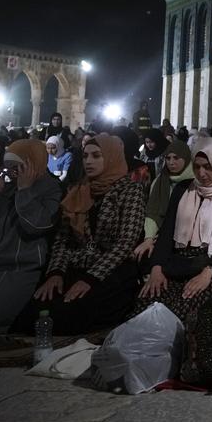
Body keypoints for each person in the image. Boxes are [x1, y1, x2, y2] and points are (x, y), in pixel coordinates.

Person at [19, 134, 144, 334]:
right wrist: (56, 273)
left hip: (110, 270)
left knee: (67, 313)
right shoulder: (78, 190)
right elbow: (63, 239)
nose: (89, 161)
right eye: (85, 156)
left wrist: (90, 278)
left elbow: (125, 243)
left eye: (96, 156)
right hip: (76, 266)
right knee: (37, 309)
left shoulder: (129, 190)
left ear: (111, 157)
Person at [136, 138, 212, 321]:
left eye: (207, 167)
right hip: (177, 264)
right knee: (146, 305)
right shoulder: (183, 188)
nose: (201, 173)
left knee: (182, 309)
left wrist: (208, 273)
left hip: (211, 267)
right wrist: (156, 268)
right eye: (197, 167)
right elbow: (167, 230)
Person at [0, 140, 63, 333]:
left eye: (15, 166)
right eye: (7, 165)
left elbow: (36, 226)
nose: (9, 171)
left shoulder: (51, 189)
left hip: (18, 270)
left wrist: (25, 191)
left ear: (31, 164)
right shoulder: (7, 186)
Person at [134, 139, 194, 262]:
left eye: (176, 158)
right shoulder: (160, 181)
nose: (171, 162)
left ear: (186, 158)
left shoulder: (196, 182)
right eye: (168, 158)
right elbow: (152, 212)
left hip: (188, 240)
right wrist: (149, 238)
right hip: (160, 236)